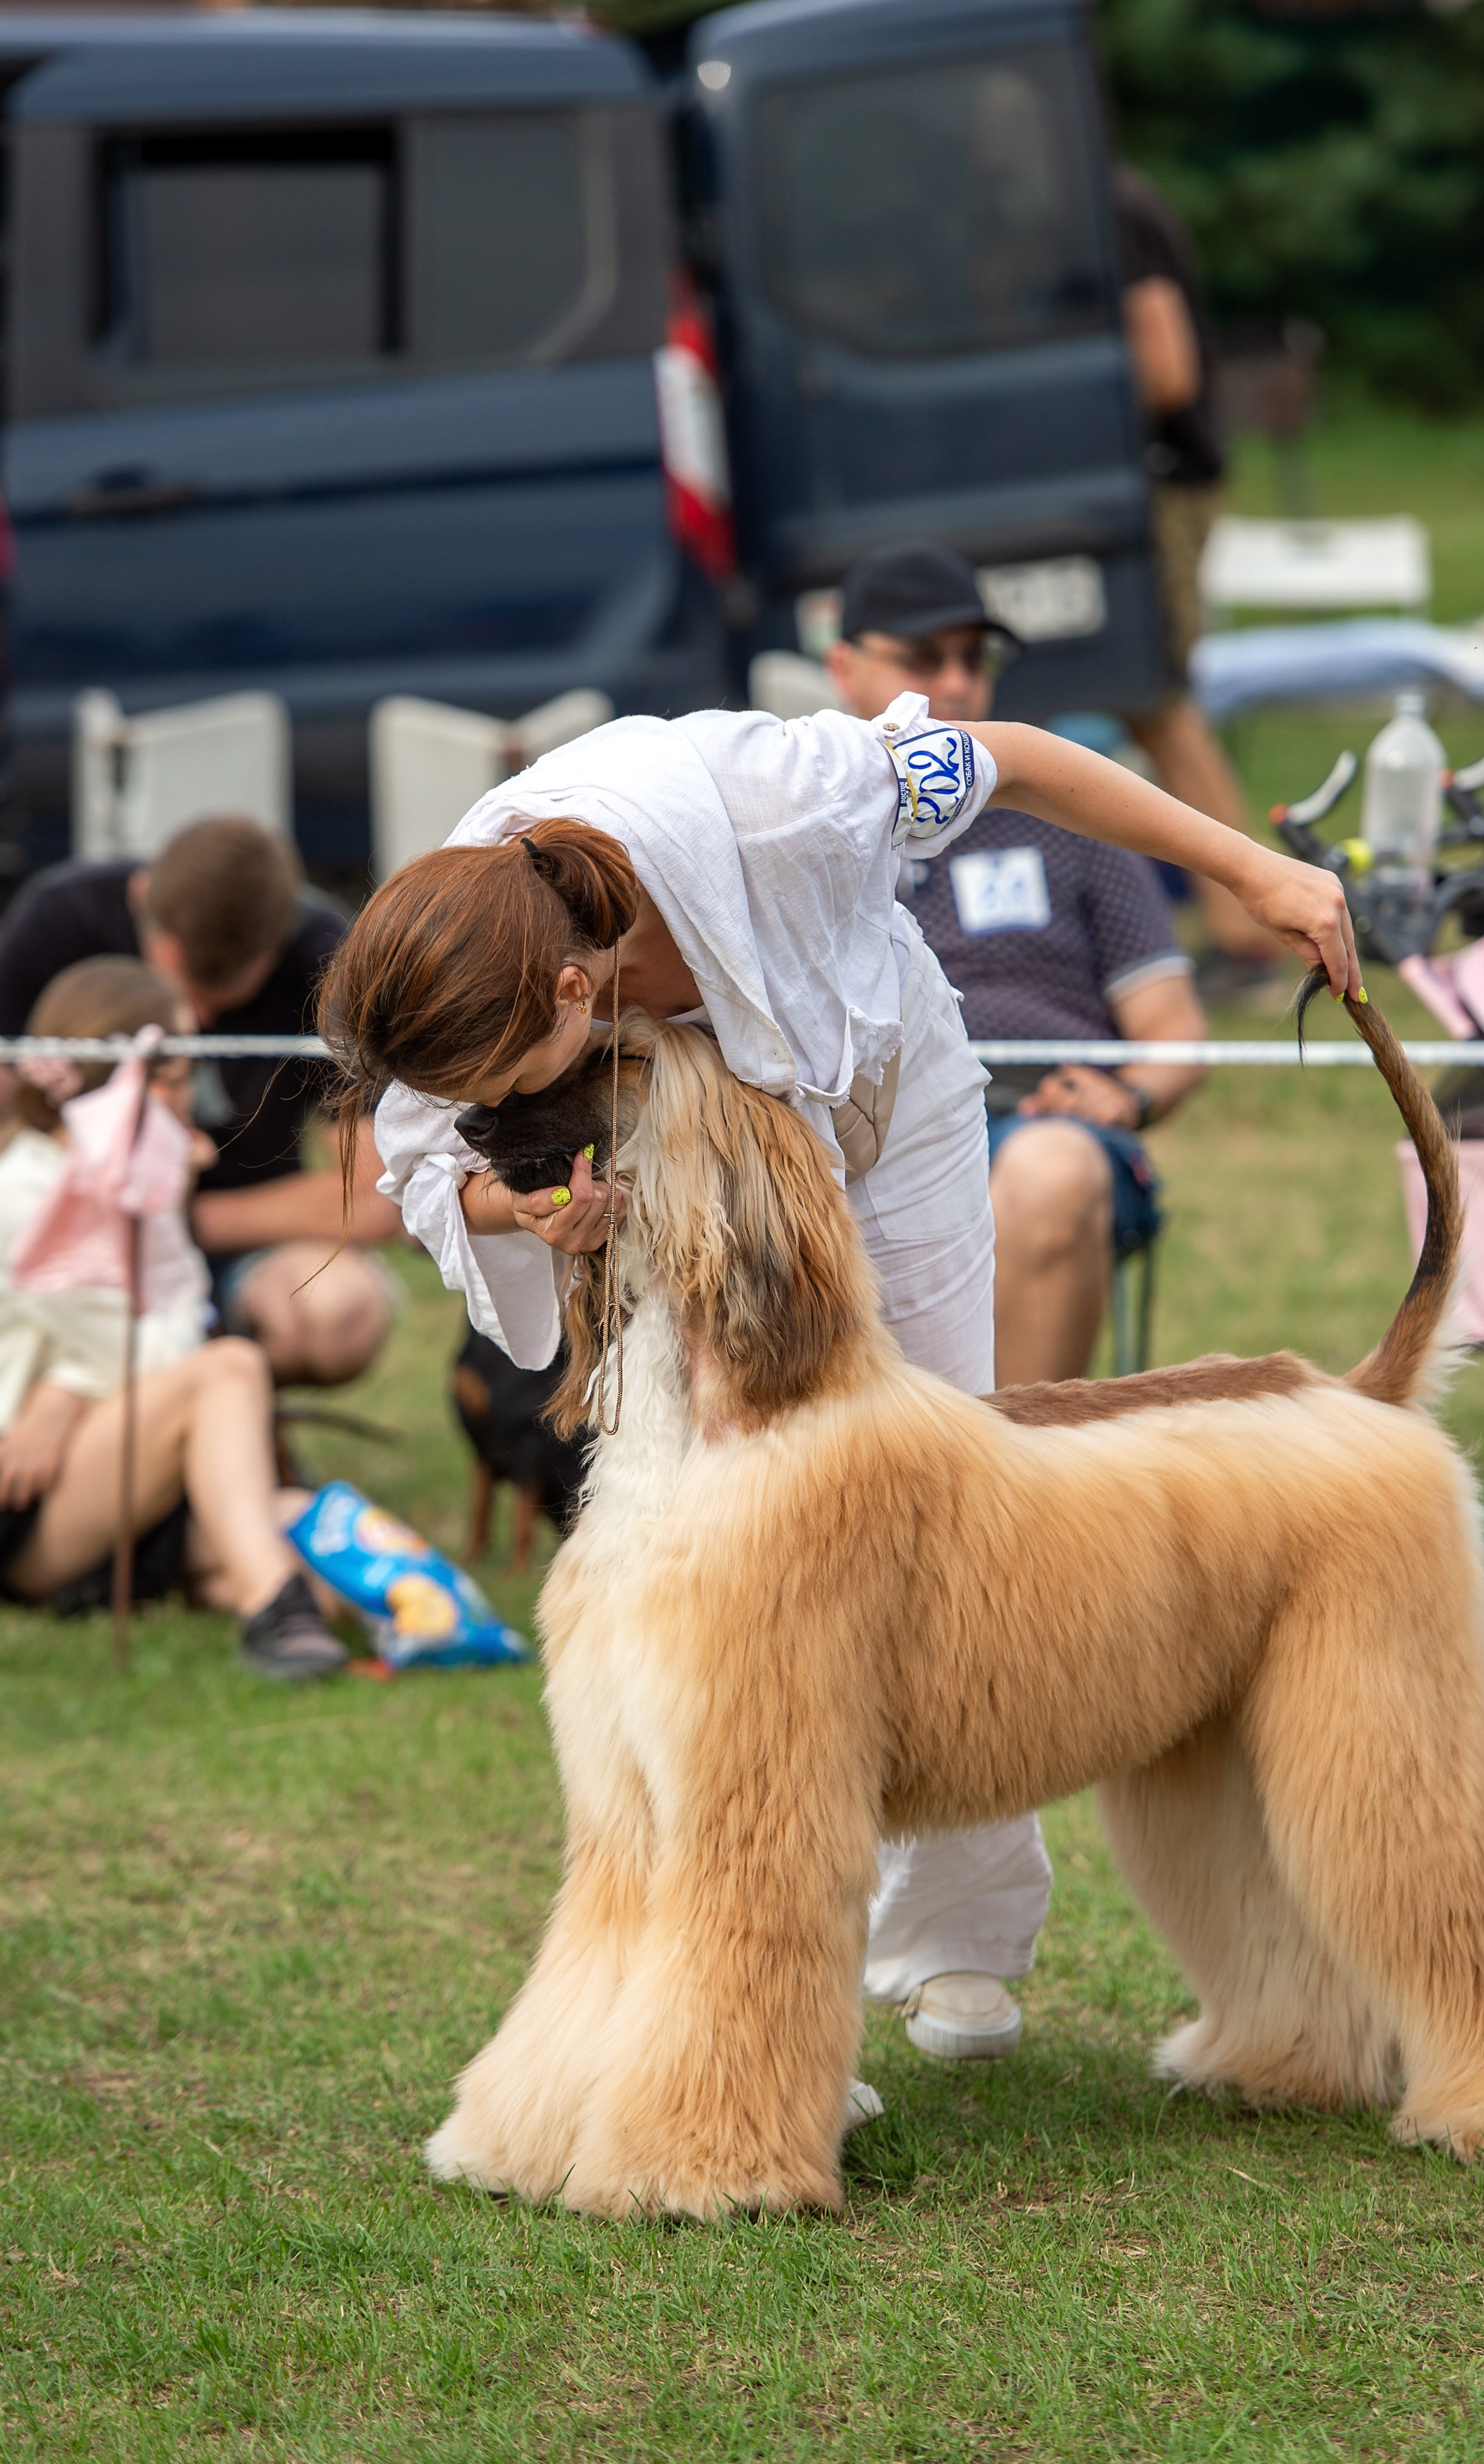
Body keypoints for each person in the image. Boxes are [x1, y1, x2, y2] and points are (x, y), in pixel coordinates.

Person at [320, 683, 1357, 2075]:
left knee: (939, 1547)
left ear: (577, 986)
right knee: (702, 1600)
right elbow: (428, 1168)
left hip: (882, 1112)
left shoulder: (779, 795)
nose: (490, 1109)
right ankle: (729, 2003)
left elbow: (1028, 761)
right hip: (666, 1194)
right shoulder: (451, 944)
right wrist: (540, 1213)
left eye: (508, 1079)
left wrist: (1250, 867)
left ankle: (952, 1944)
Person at [826, 546, 1208, 1388]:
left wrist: (1130, 1094)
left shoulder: (1073, 820)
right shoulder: (809, 830)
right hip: (858, 1138)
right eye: (925, 659)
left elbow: (1175, 1030)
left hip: (1036, 1119)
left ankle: (1010, 1490)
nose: (958, 682)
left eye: (976, 658)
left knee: (1052, 1169)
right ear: (843, 666)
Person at [0, 956, 347, 1678]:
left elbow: (179, 1325)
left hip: (118, 1471)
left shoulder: (140, 1187)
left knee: (325, 1573)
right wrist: (71, 1384)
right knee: (230, 1370)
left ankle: (263, 1592)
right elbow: (169, 1351)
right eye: (186, 1073)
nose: (202, 1095)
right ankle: (269, 1603)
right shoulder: (28, 1195)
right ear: (134, 1088)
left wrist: (67, 1389)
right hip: (28, 1504)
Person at [0, 817, 401, 1388]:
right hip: (68, 1229)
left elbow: (373, 1195)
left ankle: (232, 1424)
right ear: (142, 899)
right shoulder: (59, 920)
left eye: (226, 994)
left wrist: (173, 1219)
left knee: (338, 1312)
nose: (201, 1019)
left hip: (226, 1238)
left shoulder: (330, 960)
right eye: (183, 987)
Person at [1114, 166, 1283, 990]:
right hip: (1144, 485)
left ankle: (1247, 935)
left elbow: (1166, 368)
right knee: (1153, 710)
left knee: (1163, 705)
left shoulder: (1115, 206)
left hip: (1162, 483)